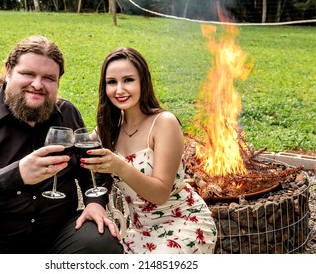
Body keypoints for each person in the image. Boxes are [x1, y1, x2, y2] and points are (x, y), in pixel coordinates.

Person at [0, 35, 123, 254]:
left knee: (102, 244)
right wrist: (17, 174)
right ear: (8, 71)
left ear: (58, 81)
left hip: (60, 232)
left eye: (48, 78)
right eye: (28, 74)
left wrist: (95, 202)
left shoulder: (67, 114)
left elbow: (92, 167)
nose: (37, 85)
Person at [80, 47, 217, 254]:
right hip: (139, 231)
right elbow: (75, 147)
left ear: (143, 81)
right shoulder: (108, 130)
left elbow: (161, 193)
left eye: (128, 80)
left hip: (183, 222)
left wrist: (119, 166)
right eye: (111, 82)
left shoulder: (164, 123)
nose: (119, 90)